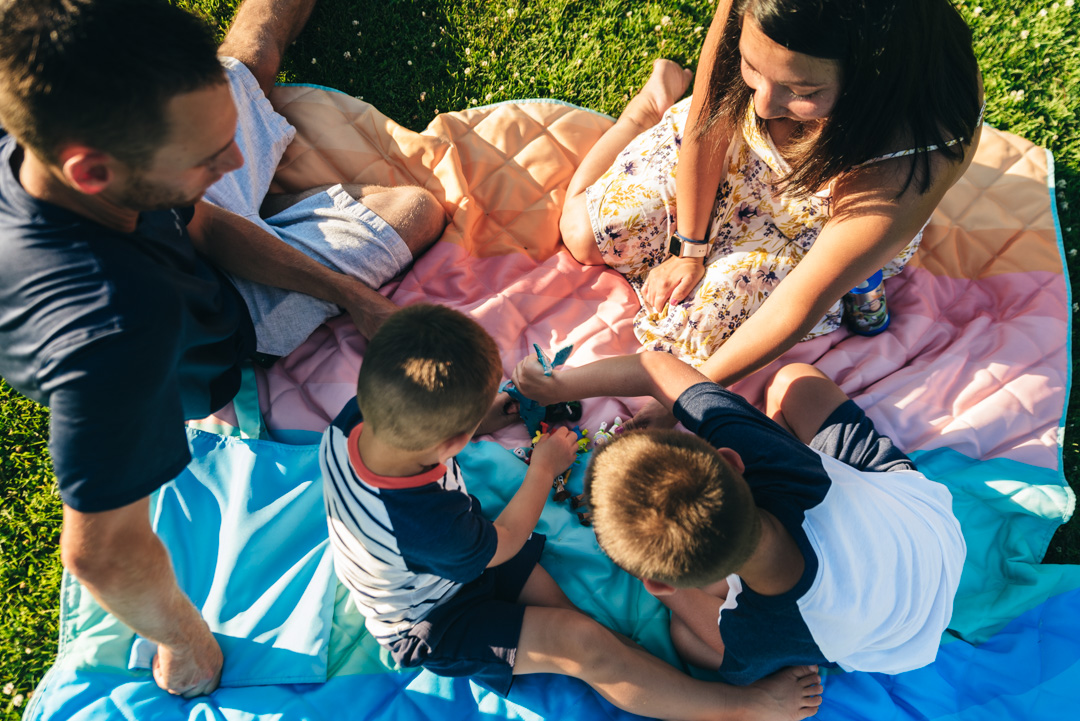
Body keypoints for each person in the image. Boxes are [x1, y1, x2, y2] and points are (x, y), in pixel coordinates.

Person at [0, 0, 445, 697]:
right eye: (212, 155)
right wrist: (185, 642)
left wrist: (355, 297)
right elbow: (102, 553)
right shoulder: (112, 331)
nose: (237, 159)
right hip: (226, 322)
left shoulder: (60, 135)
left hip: (172, 235)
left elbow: (200, 217)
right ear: (90, 172)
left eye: (228, 136)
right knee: (414, 210)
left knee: (249, 65)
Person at [320, 303, 824, 720]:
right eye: (472, 425)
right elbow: (502, 545)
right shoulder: (430, 526)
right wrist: (543, 470)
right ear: (451, 441)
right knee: (586, 645)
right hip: (436, 618)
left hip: (449, 562)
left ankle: (643, 669)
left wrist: (497, 411)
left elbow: (442, 448)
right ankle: (743, 707)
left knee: (581, 613)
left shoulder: (353, 420)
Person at [559, 0, 984, 428]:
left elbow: (801, 300)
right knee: (583, 232)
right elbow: (711, 119)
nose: (763, 104)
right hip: (734, 150)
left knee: (697, 339)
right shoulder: (765, 9)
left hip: (813, 226)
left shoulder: (916, 153)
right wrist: (688, 248)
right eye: (752, 67)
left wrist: (686, 398)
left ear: (872, 79)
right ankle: (643, 112)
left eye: (802, 92)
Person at [511, 351, 966, 684]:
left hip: (894, 634)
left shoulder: (759, 630)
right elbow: (655, 367)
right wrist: (557, 386)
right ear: (731, 460)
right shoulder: (768, 458)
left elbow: (722, 650)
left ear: (658, 582)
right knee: (794, 380)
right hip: (922, 524)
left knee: (689, 641)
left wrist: (659, 579)